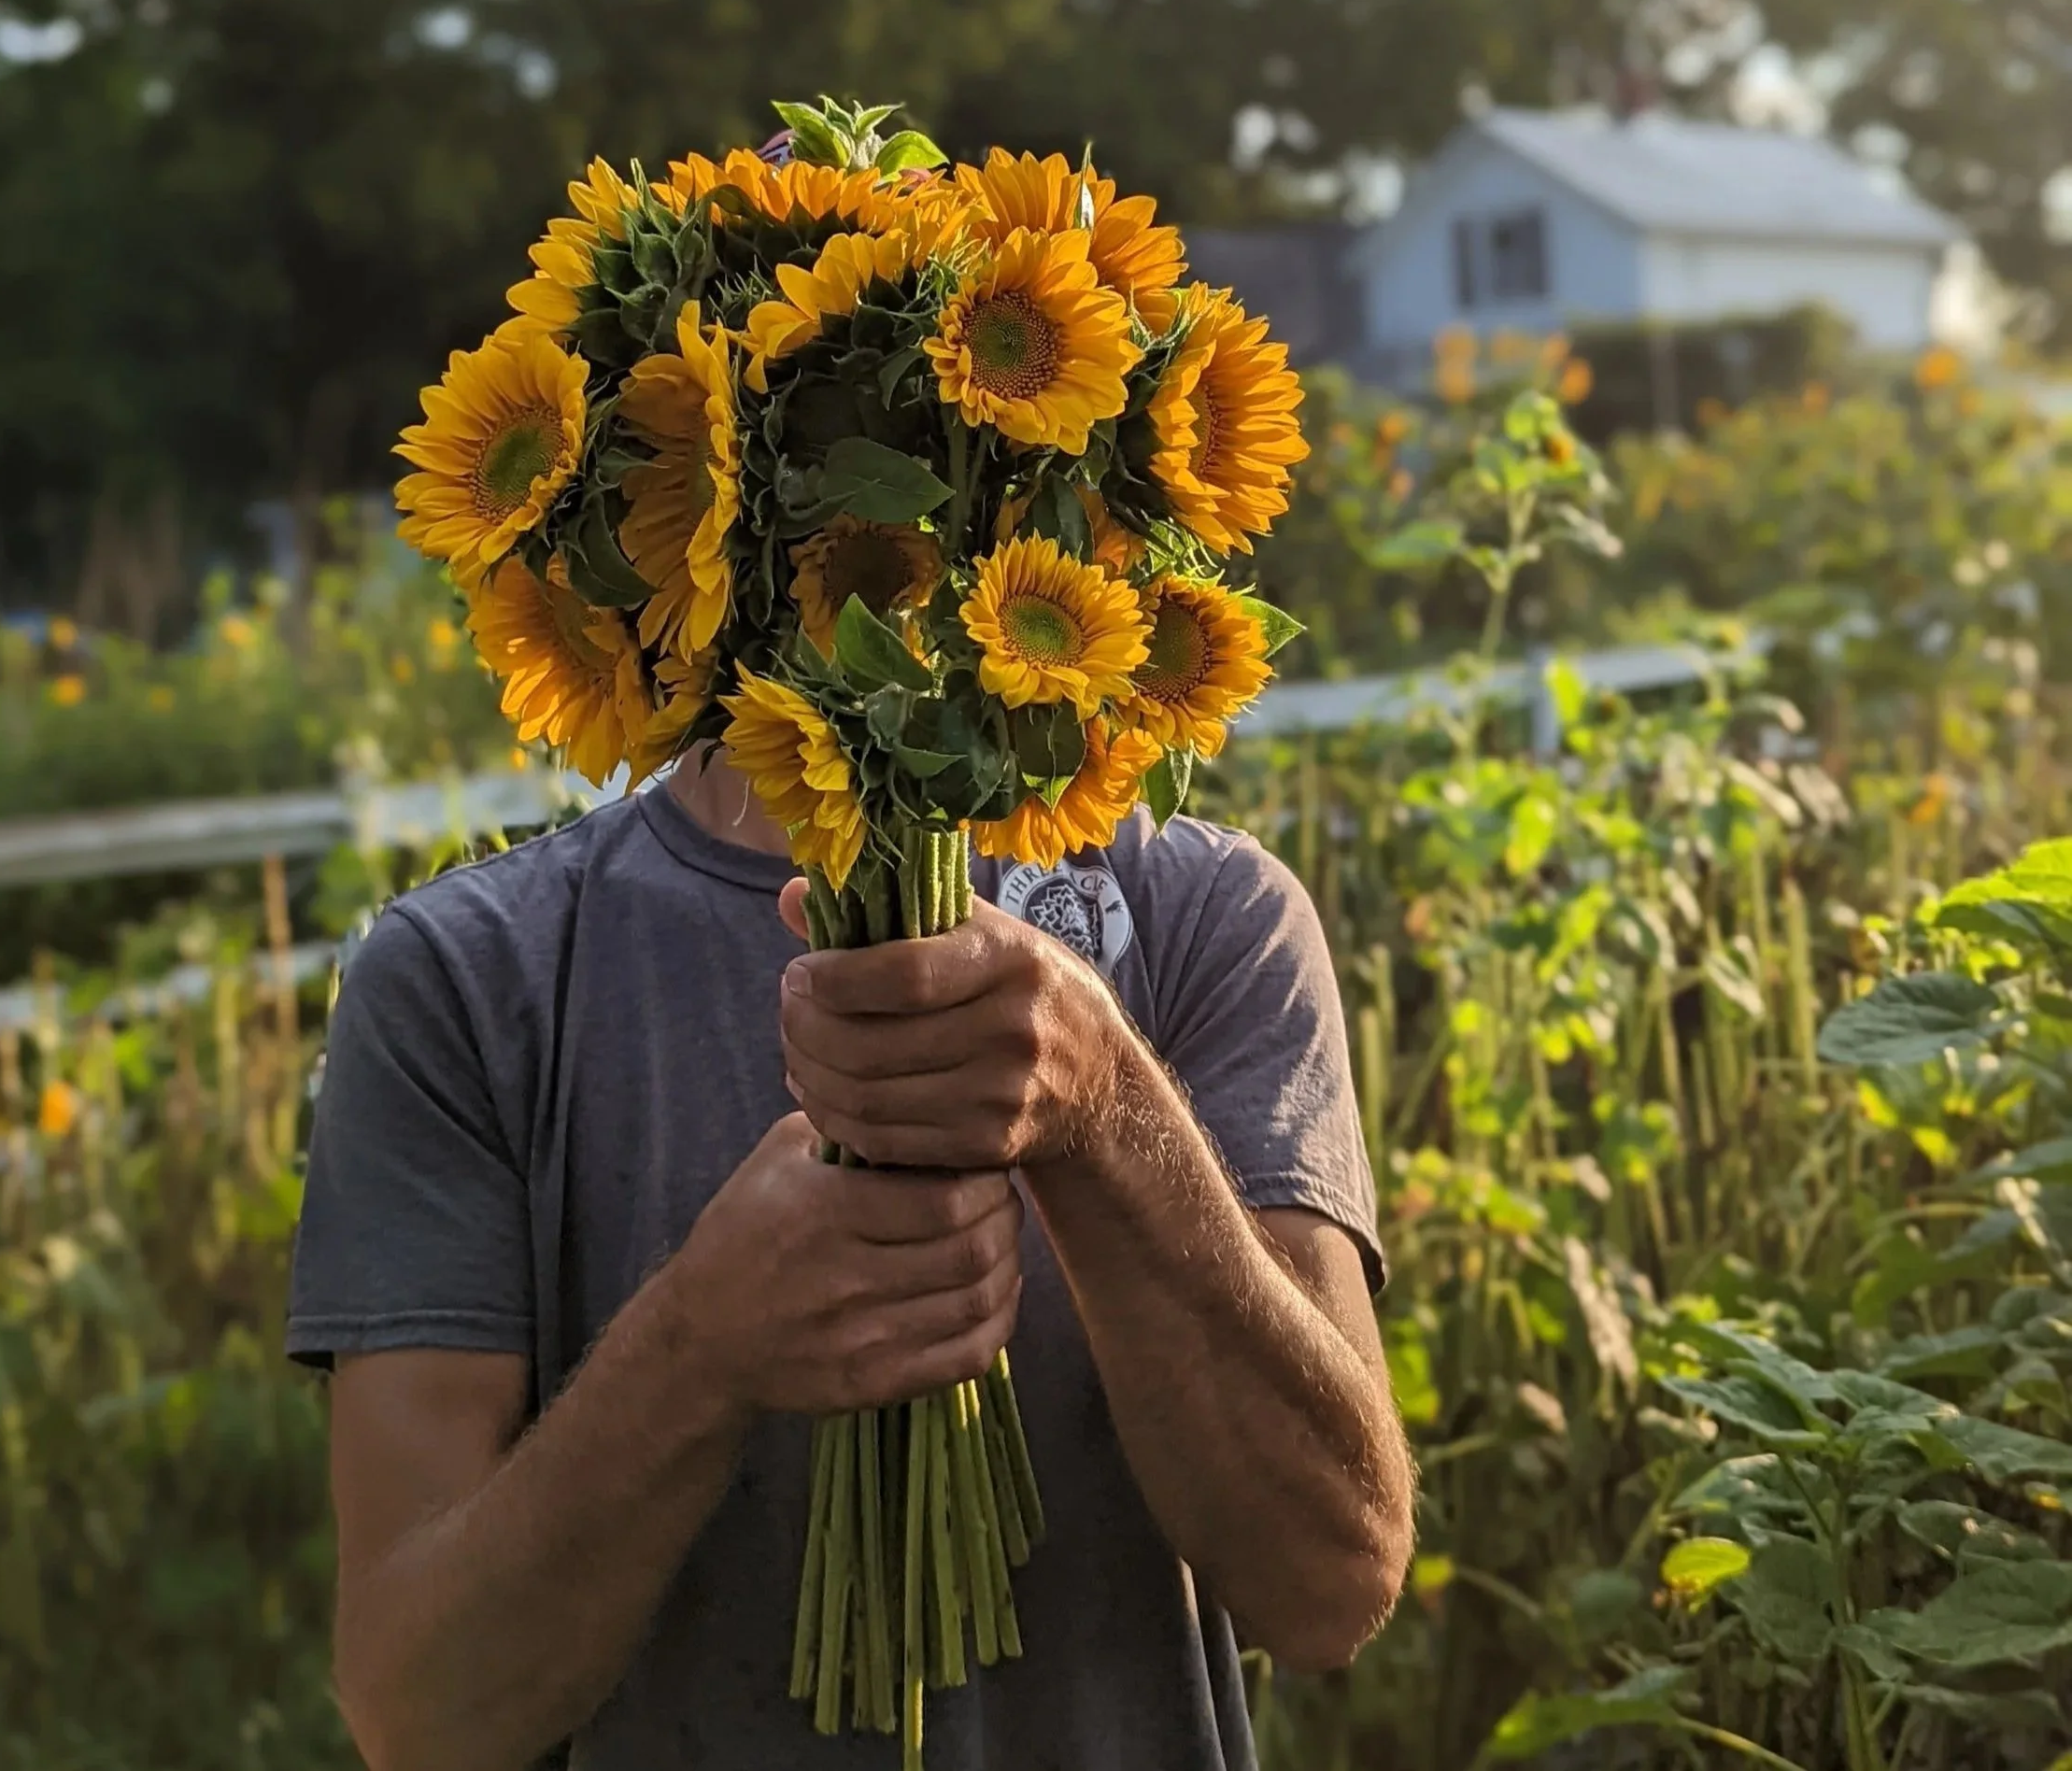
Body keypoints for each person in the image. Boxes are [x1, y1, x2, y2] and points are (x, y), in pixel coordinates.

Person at [288, 745, 1412, 1771]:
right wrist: (696, 1349)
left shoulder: (1201, 911)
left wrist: (1108, 1111)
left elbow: (1330, 1585)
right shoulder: (469, 978)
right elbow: (419, 1715)